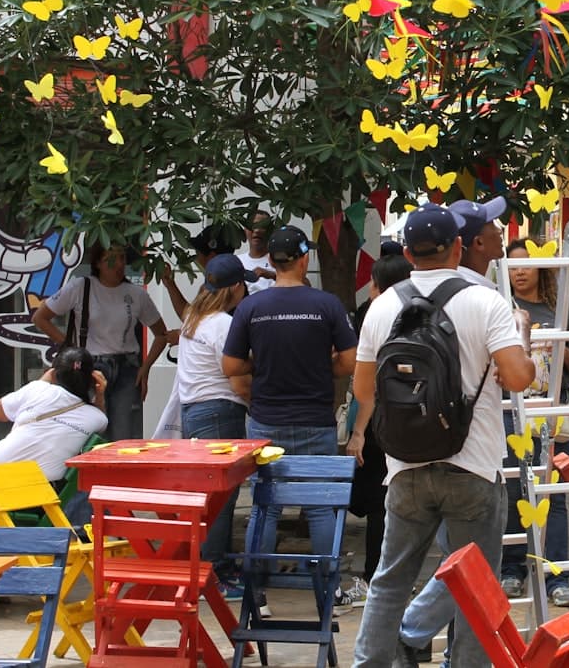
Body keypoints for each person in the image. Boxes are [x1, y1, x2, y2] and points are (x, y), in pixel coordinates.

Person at [351, 204, 535, 668]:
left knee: (390, 581)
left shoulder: (383, 305)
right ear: (457, 247)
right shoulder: (486, 301)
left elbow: (363, 390)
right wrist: (522, 336)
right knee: (475, 583)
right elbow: (518, 378)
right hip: (473, 464)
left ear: (408, 253)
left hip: (405, 465)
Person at [222, 224, 358, 607]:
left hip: (266, 421)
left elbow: (231, 366)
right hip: (316, 419)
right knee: (320, 507)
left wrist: (262, 364)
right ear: (304, 259)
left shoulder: (251, 308)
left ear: (271, 260)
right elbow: (349, 361)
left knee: (265, 508)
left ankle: (256, 594)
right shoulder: (326, 305)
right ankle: (329, 592)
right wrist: (322, 367)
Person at [498, 238, 569, 607]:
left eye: (526, 265)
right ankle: (512, 570)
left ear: (542, 269)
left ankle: (556, 576)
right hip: (510, 413)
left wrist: (555, 346)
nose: (519, 272)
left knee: (554, 497)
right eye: (513, 266)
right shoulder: (500, 308)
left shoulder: (560, 309)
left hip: (553, 414)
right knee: (514, 492)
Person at [32, 243, 170, 441]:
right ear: (97, 263)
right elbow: (40, 317)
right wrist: (70, 348)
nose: (119, 264)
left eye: (122, 258)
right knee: (90, 430)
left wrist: (146, 368)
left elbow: (162, 334)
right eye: (111, 259)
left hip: (127, 367)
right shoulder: (81, 286)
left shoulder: (136, 293)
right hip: (91, 366)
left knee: (123, 432)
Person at [176, 253, 254, 590]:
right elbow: (236, 376)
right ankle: (216, 573)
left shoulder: (193, 318)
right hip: (219, 412)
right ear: (236, 287)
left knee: (206, 496)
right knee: (222, 498)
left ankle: (207, 565)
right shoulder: (223, 324)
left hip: (194, 411)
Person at [347, 255, 412, 592]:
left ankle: (377, 574)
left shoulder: (372, 314)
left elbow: (366, 386)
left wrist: (358, 431)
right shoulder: (421, 312)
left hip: (378, 420)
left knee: (378, 503)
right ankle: (396, 574)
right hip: (412, 417)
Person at [0, 346, 107, 484]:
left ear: (53, 372)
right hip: (41, 492)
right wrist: (100, 395)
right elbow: (100, 420)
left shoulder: (38, 389)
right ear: (92, 379)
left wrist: (42, 381)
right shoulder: (98, 419)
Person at [160, 222, 243, 316]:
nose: (196, 258)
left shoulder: (219, 288)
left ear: (212, 257)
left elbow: (192, 318)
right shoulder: (234, 280)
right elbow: (191, 318)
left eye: (198, 252)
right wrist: (170, 284)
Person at [238, 211, 277, 294]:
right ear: (245, 230)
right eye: (252, 226)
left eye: (262, 226)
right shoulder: (237, 261)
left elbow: (302, 286)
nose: (257, 230)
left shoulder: (281, 260)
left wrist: (273, 276)